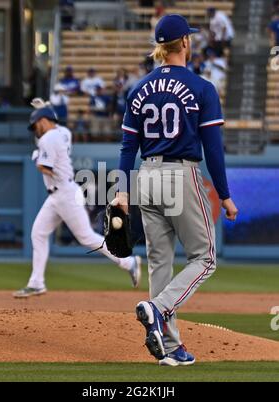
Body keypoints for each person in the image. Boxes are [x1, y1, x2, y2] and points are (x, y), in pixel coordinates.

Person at [113, 14, 238, 366]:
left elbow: (127, 147)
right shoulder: (201, 88)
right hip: (180, 174)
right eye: (190, 38)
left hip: (145, 176)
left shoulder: (138, 89)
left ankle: (169, 348)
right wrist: (225, 195)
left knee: (160, 264)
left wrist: (122, 191)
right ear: (184, 43)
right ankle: (158, 308)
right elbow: (213, 149)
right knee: (205, 257)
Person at [13, 104, 141, 298]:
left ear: (44, 121)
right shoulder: (63, 132)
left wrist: (37, 158)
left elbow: (45, 168)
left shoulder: (48, 138)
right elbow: (54, 138)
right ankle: (36, 282)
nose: (35, 130)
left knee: (87, 237)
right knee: (38, 233)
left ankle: (128, 262)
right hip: (59, 193)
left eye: (36, 124)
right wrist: (46, 110)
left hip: (64, 192)